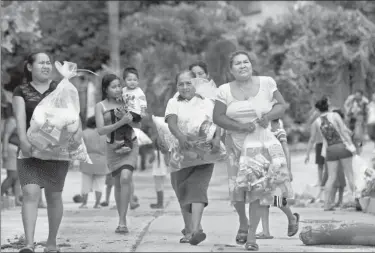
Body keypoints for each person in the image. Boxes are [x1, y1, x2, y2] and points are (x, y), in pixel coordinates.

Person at [213, 50, 298, 251]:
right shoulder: (224, 90)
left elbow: (282, 105)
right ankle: (244, 222)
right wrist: (241, 127)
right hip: (236, 146)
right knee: (238, 193)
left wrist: (268, 117)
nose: (243, 66)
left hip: (261, 146)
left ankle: (252, 236)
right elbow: (218, 117)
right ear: (231, 70)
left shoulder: (267, 83)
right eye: (238, 63)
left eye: (246, 62)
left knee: (260, 191)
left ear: (251, 65)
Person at [13, 52, 70, 253]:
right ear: (30, 67)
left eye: (48, 63)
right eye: (41, 63)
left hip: (56, 151)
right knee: (30, 192)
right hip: (29, 150)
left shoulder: (61, 89)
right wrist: (22, 140)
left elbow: (71, 117)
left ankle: (51, 242)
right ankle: (29, 243)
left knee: (54, 196)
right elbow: (20, 119)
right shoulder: (21, 91)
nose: (46, 66)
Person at [165, 70, 220, 245]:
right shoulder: (173, 102)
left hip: (204, 153)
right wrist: (181, 138)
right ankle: (189, 229)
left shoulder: (207, 102)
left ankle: (195, 231)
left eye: (188, 83)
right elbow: (171, 123)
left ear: (195, 84)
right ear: (176, 86)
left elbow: (216, 123)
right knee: (182, 191)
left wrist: (217, 139)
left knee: (197, 189)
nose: (185, 87)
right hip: (180, 154)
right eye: (181, 84)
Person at [95, 73, 139, 234]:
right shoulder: (100, 106)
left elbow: (138, 124)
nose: (118, 89)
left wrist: (130, 119)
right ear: (106, 90)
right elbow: (100, 130)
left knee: (126, 177)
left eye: (119, 86)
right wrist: (120, 122)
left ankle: (123, 220)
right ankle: (121, 220)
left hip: (131, 144)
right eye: (113, 87)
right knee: (118, 183)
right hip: (112, 148)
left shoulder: (128, 102)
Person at [305, 97, 356, 211]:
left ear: (318, 110)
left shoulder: (316, 122)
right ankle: (356, 200)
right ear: (328, 106)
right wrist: (351, 145)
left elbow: (312, 139)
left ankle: (327, 204)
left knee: (331, 177)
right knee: (350, 175)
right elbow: (343, 131)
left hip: (330, 151)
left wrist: (307, 154)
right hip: (342, 147)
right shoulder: (335, 116)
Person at [256, 119, 295, 239]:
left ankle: (291, 217)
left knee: (277, 199)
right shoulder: (260, 132)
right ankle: (266, 232)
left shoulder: (279, 132)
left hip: (276, 168)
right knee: (262, 200)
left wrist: (288, 168)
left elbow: (286, 150)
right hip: (263, 167)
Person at [79, 116, 109, 209]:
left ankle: (84, 204)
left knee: (85, 184)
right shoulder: (105, 134)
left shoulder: (84, 133)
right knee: (100, 185)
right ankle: (97, 204)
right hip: (102, 161)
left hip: (87, 161)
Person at [116, 67, 147, 153]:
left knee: (125, 120)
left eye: (135, 80)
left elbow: (143, 102)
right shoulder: (123, 90)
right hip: (128, 113)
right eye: (129, 80)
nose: (132, 82)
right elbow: (121, 98)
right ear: (124, 80)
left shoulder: (139, 91)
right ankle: (125, 145)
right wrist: (119, 99)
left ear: (138, 81)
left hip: (136, 113)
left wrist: (143, 111)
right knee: (124, 126)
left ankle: (127, 145)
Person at [1, 105, 22, 206]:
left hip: (18, 150)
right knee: (12, 176)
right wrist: (4, 151)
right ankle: (1, 195)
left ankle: (17, 199)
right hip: (11, 149)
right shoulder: (12, 121)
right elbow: (6, 136)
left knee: (17, 176)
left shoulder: (20, 120)